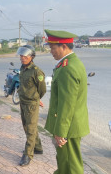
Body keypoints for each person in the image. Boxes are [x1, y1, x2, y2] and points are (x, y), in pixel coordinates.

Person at [44, 29, 89, 174]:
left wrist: (61, 132)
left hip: (67, 127)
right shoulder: (70, 63)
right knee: (65, 163)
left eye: (52, 47)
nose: (51, 51)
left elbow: (67, 104)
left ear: (63, 46)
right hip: (70, 124)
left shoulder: (67, 68)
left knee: (71, 167)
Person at [17, 45, 46, 166]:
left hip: (31, 104)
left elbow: (42, 89)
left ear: (31, 57)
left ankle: (28, 154)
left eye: (25, 56)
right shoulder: (23, 68)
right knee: (27, 126)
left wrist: (36, 98)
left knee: (30, 129)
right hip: (23, 102)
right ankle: (38, 147)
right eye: (21, 56)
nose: (22, 58)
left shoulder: (36, 71)